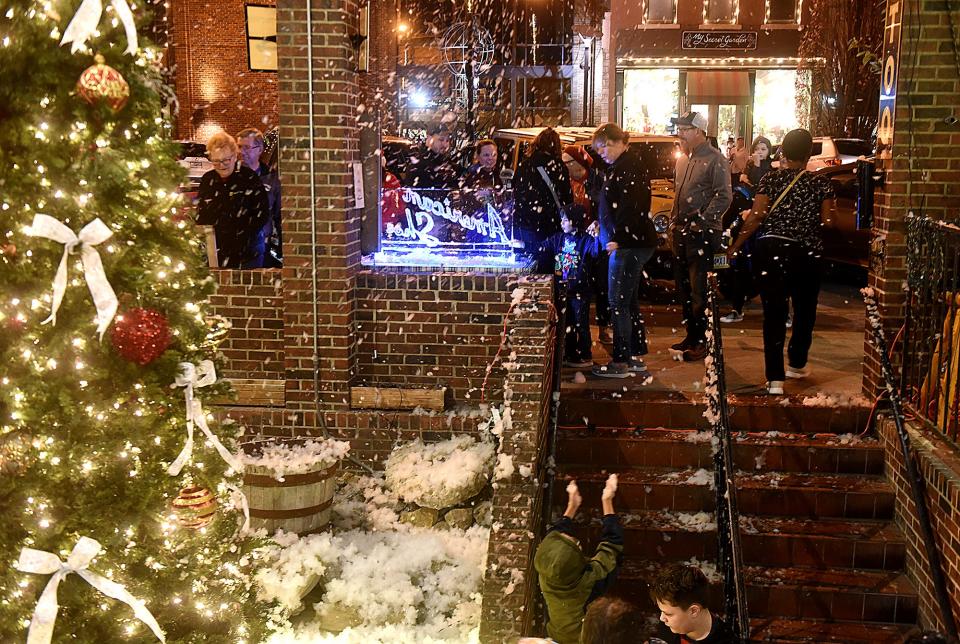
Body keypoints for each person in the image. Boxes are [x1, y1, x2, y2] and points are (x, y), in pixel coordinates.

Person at [726, 128, 836, 396]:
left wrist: (736, 244)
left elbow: (756, 217)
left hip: (772, 249)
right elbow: (828, 221)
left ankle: (774, 379)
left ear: (783, 152)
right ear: (809, 153)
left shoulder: (771, 180)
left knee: (773, 313)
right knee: (804, 310)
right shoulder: (821, 184)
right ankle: (797, 362)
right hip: (806, 253)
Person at [589, 123, 658, 379]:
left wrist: (619, 238)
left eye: (606, 145)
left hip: (629, 245)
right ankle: (632, 355)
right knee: (626, 300)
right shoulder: (622, 167)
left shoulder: (629, 167)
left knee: (618, 300)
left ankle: (621, 361)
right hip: (629, 242)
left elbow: (633, 205)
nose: (602, 152)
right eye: (599, 148)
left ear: (620, 142)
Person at [669, 112, 733, 361]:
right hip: (682, 232)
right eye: (680, 129)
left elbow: (724, 195)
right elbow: (678, 195)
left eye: (685, 129)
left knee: (699, 290)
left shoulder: (716, 159)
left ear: (699, 131)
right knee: (684, 288)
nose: (681, 133)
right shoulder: (683, 160)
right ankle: (692, 335)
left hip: (703, 234)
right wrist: (674, 224)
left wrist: (702, 221)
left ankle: (704, 339)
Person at [534, 476, 623, 644]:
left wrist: (572, 506)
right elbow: (612, 547)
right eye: (576, 545)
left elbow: (554, 541)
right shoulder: (588, 582)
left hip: (556, 636)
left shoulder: (545, 568)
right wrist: (607, 500)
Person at [537, 205, 601, 368]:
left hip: (580, 291)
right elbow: (541, 246)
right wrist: (522, 244)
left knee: (581, 323)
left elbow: (595, 252)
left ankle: (585, 354)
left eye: (565, 220)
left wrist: (597, 237)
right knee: (567, 323)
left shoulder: (584, 239)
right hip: (563, 290)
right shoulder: (558, 238)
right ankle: (571, 353)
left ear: (574, 221)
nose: (562, 223)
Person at [719, 135, 774, 324]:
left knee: (768, 275)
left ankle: (778, 313)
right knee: (739, 272)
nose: (759, 153)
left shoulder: (771, 177)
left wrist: (753, 213)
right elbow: (733, 208)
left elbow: (765, 198)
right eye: (757, 149)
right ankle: (737, 308)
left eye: (763, 149)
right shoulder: (744, 182)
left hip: (763, 236)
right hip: (743, 237)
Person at [196, 131, 271, 269]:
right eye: (216, 161)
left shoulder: (249, 178)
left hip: (248, 252)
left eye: (226, 160)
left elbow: (262, 213)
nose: (222, 165)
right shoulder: (208, 180)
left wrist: (243, 236)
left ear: (235, 156)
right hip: (217, 251)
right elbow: (202, 214)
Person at [563, 144, 611, 342]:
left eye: (567, 162)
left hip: (595, 239)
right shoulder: (564, 181)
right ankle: (575, 329)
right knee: (572, 283)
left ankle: (603, 326)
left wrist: (599, 222)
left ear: (578, 163)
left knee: (602, 284)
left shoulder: (596, 180)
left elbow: (606, 206)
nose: (563, 166)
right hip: (571, 239)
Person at [514, 127, 573, 257]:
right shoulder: (558, 166)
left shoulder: (525, 164)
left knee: (528, 259)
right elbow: (566, 196)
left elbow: (517, 193)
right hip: (550, 223)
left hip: (526, 223)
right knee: (548, 257)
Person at [649, 563, 734, 644]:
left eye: (668, 614)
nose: (662, 618)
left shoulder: (726, 640)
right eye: (662, 612)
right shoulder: (669, 626)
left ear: (694, 611)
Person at [237, 127, 282, 266]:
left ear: (259, 149)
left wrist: (282, 246)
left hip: (262, 244)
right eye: (239, 147)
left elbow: (279, 214)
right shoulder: (233, 176)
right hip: (235, 245)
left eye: (246, 147)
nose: (241, 152)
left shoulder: (271, 178)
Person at [404, 123, 463, 190]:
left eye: (447, 140)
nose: (445, 145)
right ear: (429, 139)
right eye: (441, 140)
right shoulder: (418, 164)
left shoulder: (447, 162)